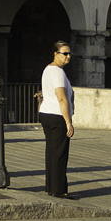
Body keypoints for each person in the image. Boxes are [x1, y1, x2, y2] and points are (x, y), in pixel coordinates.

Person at [39, 40, 75, 199]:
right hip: (56, 115)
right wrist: (68, 122)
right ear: (55, 54)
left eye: (69, 53)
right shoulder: (58, 72)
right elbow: (62, 98)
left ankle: (51, 187)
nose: (68, 56)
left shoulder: (48, 69)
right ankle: (59, 190)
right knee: (60, 154)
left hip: (46, 113)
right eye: (64, 53)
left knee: (52, 153)